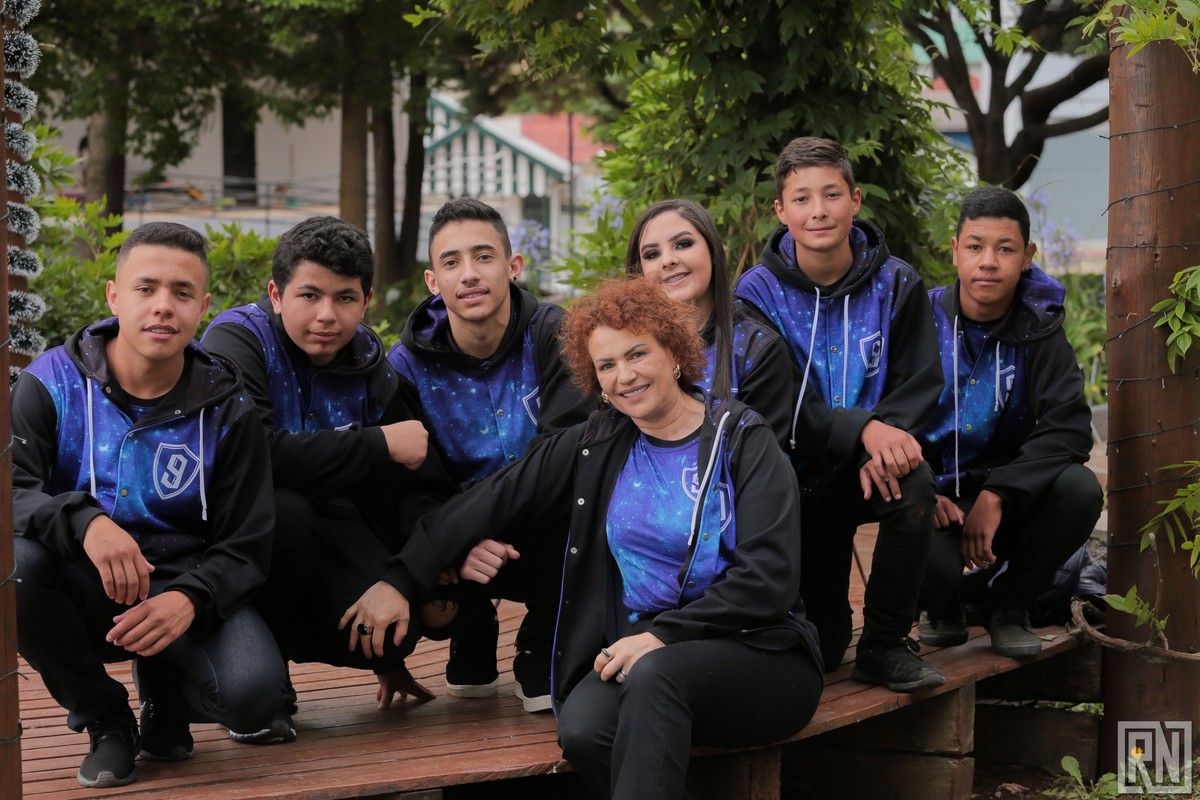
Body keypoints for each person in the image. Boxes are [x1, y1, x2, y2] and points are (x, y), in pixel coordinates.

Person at [343, 278, 824, 799]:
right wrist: (402, 578)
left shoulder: (741, 438)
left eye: (637, 354)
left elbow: (769, 578)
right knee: (584, 728)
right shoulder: (599, 441)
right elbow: (490, 500)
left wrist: (665, 636)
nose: (624, 376)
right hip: (644, 652)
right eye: (606, 365)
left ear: (674, 353)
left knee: (655, 678)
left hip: (758, 650)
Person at [12, 222, 285, 788]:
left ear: (202, 308)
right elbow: (8, 492)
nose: (163, 306)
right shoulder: (51, 383)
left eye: (182, 293)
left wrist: (190, 598)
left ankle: (165, 696)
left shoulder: (227, 406)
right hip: (83, 581)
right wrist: (84, 521)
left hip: (183, 582)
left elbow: (247, 543)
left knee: (252, 697)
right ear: (114, 295)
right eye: (146, 288)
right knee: (15, 564)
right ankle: (106, 718)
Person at [202, 216, 449, 741]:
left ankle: (289, 644)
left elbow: (415, 482)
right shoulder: (237, 340)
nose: (326, 316)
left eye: (344, 298)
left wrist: (405, 580)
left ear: (367, 301)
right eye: (309, 295)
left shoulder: (371, 365)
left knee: (392, 633)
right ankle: (263, 671)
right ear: (276, 294)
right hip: (238, 537)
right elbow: (255, 453)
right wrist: (377, 443)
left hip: (330, 526)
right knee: (286, 510)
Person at [734, 136, 945, 692]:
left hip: (871, 468)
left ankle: (885, 643)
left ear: (855, 200)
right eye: (801, 198)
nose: (819, 210)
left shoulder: (897, 282)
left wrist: (882, 441)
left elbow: (920, 379)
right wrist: (862, 431)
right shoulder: (755, 294)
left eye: (831, 194)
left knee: (914, 482)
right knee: (824, 650)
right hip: (795, 477)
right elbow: (774, 401)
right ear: (781, 211)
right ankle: (828, 626)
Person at [386, 198, 591, 712]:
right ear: (433, 281)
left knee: (586, 498)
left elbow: (561, 456)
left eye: (483, 256)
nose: (469, 274)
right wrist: (459, 543)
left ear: (513, 266)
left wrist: (468, 525)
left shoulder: (556, 335)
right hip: (460, 543)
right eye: (451, 262)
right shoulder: (405, 367)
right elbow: (412, 486)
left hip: (546, 523)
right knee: (420, 565)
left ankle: (541, 635)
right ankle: (472, 624)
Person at [915, 186, 1102, 657]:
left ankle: (1010, 606)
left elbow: (1070, 427)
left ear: (1027, 256)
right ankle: (943, 607)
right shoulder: (918, 319)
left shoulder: (1039, 327)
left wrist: (998, 493)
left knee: (1080, 489)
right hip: (935, 498)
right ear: (955, 250)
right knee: (920, 545)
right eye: (975, 246)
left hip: (1012, 497)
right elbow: (885, 415)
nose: (988, 262)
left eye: (1005, 249)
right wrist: (922, 488)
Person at [625, 199, 793, 444]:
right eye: (652, 254)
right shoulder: (621, 345)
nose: (667, 260)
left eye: (683, 244)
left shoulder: (757, 349)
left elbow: (766, 458)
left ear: (713, 251)